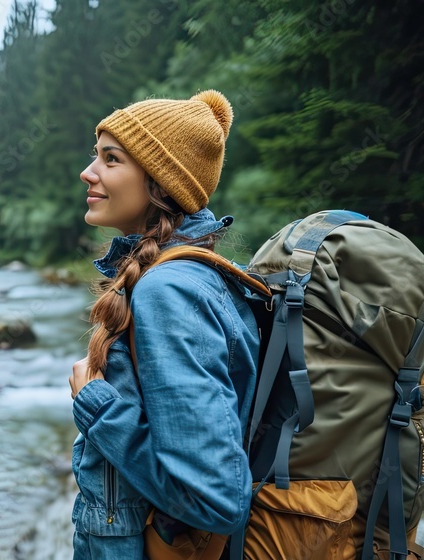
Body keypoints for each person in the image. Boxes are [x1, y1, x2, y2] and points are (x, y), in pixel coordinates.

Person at [66, 90, 261, 559]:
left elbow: (213, 500)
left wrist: (97, 408)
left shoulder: (167, 291)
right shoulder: (189, 275)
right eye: (96, 156)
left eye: (110, 159)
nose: (87, 172)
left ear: (160, 181)